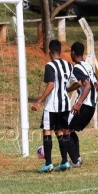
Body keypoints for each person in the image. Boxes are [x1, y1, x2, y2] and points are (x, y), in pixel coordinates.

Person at [31, 40, 74, 173]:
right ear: (60, 51)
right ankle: (64, 162)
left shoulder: (50, 65)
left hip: (53, 105)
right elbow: (79, 82)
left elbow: (51, 85)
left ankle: (48, 163)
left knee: (47, 130)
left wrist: (39, 101)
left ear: (49, 51)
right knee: (60, 132)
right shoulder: (68, 65)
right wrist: (67, 90)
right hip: (66, 104)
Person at [67, 42, 98, 168]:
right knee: (70, 129)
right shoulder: (88, 66)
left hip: (84, 106)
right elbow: (97, 85)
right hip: (91, 106)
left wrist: (79, 102)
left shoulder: (77, 68)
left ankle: (75, 161)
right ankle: (77, 158)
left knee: (65, 131)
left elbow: (87, 85)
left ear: (73, 53)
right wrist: (90, 96)